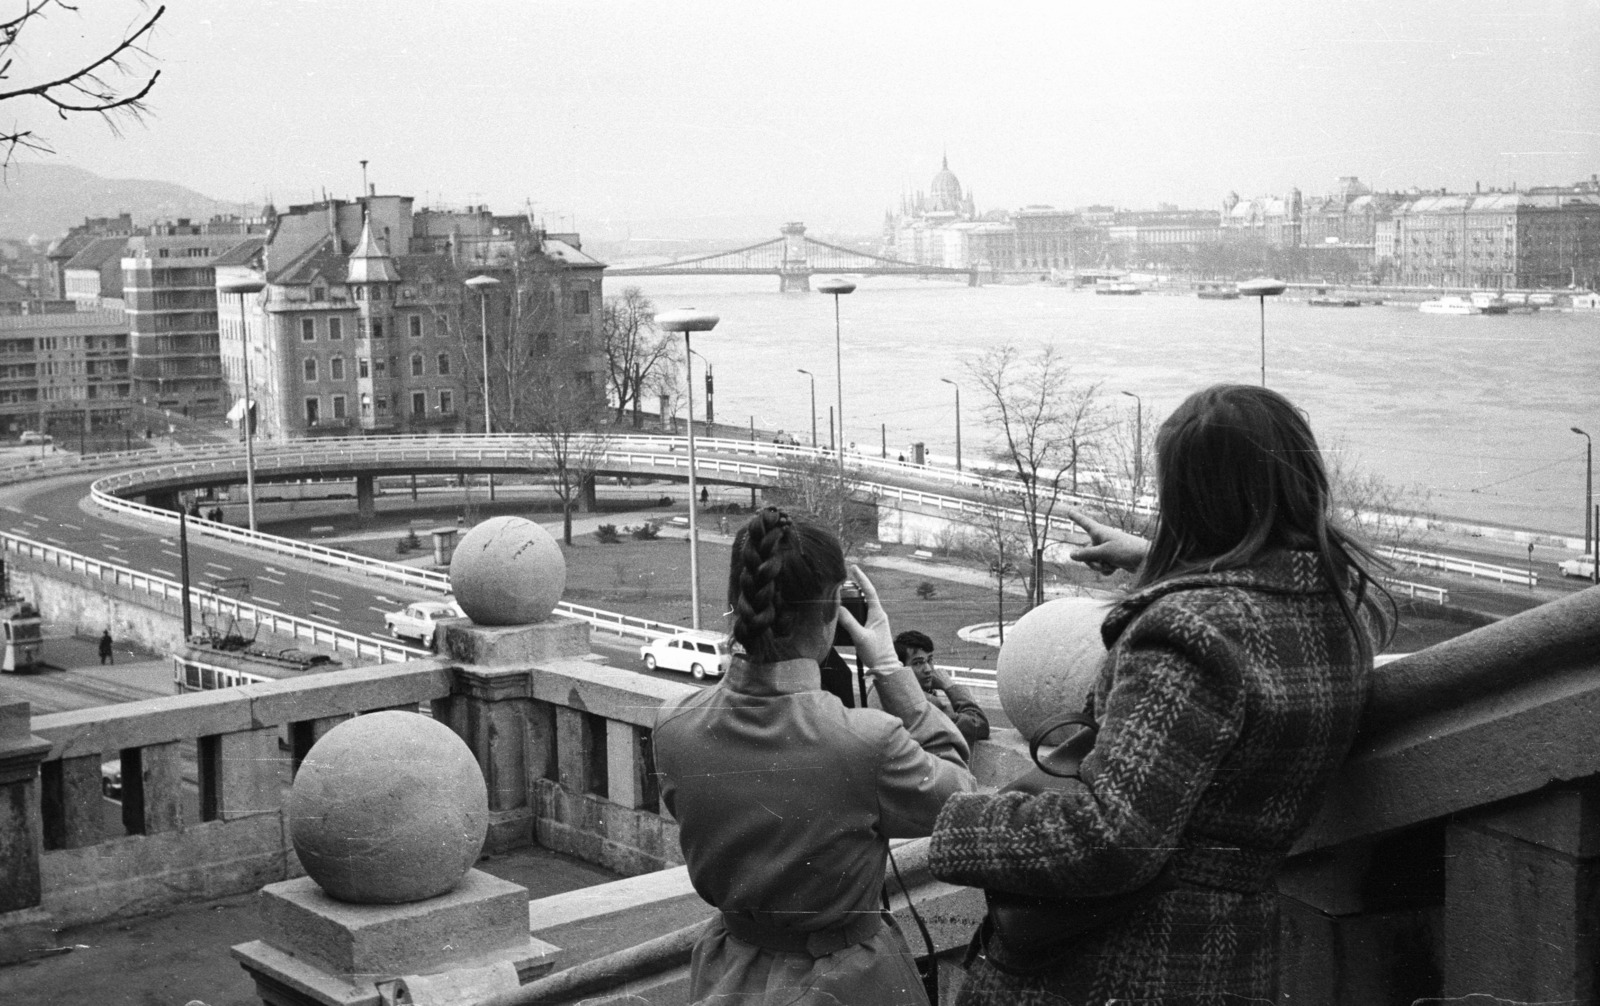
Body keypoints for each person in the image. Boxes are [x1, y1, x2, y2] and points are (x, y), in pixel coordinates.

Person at [929, 383, 1392, 1004]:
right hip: (1229, 957)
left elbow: (1108, 840)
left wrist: (958, 825)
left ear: (1184, 497)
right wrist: (1149, 556)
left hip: (1113, 966)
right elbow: (1254, 589)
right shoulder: (1337, 617)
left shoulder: (1185, 635)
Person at [653, 506, 975, 1005]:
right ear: (831, 608)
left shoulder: (674, 724)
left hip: (726, 975)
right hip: (847, 982)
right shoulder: (865, 742)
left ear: (738, 603)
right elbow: (959, 795)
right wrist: (889, 666)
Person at [872, 630, 989, 747]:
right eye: (918, 663)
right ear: (901, 667)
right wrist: (950, 687)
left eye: (929, 660)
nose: (928, 669)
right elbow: (978, 725)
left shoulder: (877, 689)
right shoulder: (925, 702)